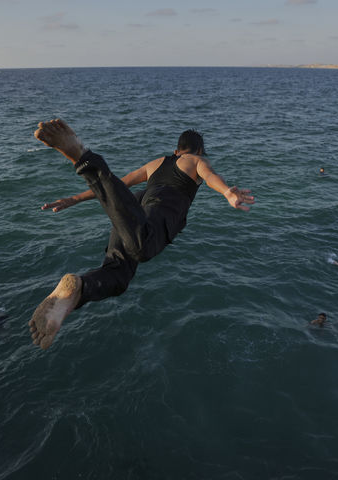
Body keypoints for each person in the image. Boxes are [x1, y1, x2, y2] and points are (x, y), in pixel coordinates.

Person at [29, 119, 255, 349]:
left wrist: (74, 199)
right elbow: (209, 175)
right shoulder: (196, 159)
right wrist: (227, 192)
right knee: (143, 247)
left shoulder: (156, 163)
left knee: (117, 276)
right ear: (198, 150)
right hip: (159, 212)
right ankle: (83, 156)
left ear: (176, 151)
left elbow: (120, 184)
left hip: (135, 209)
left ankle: (78, 289)